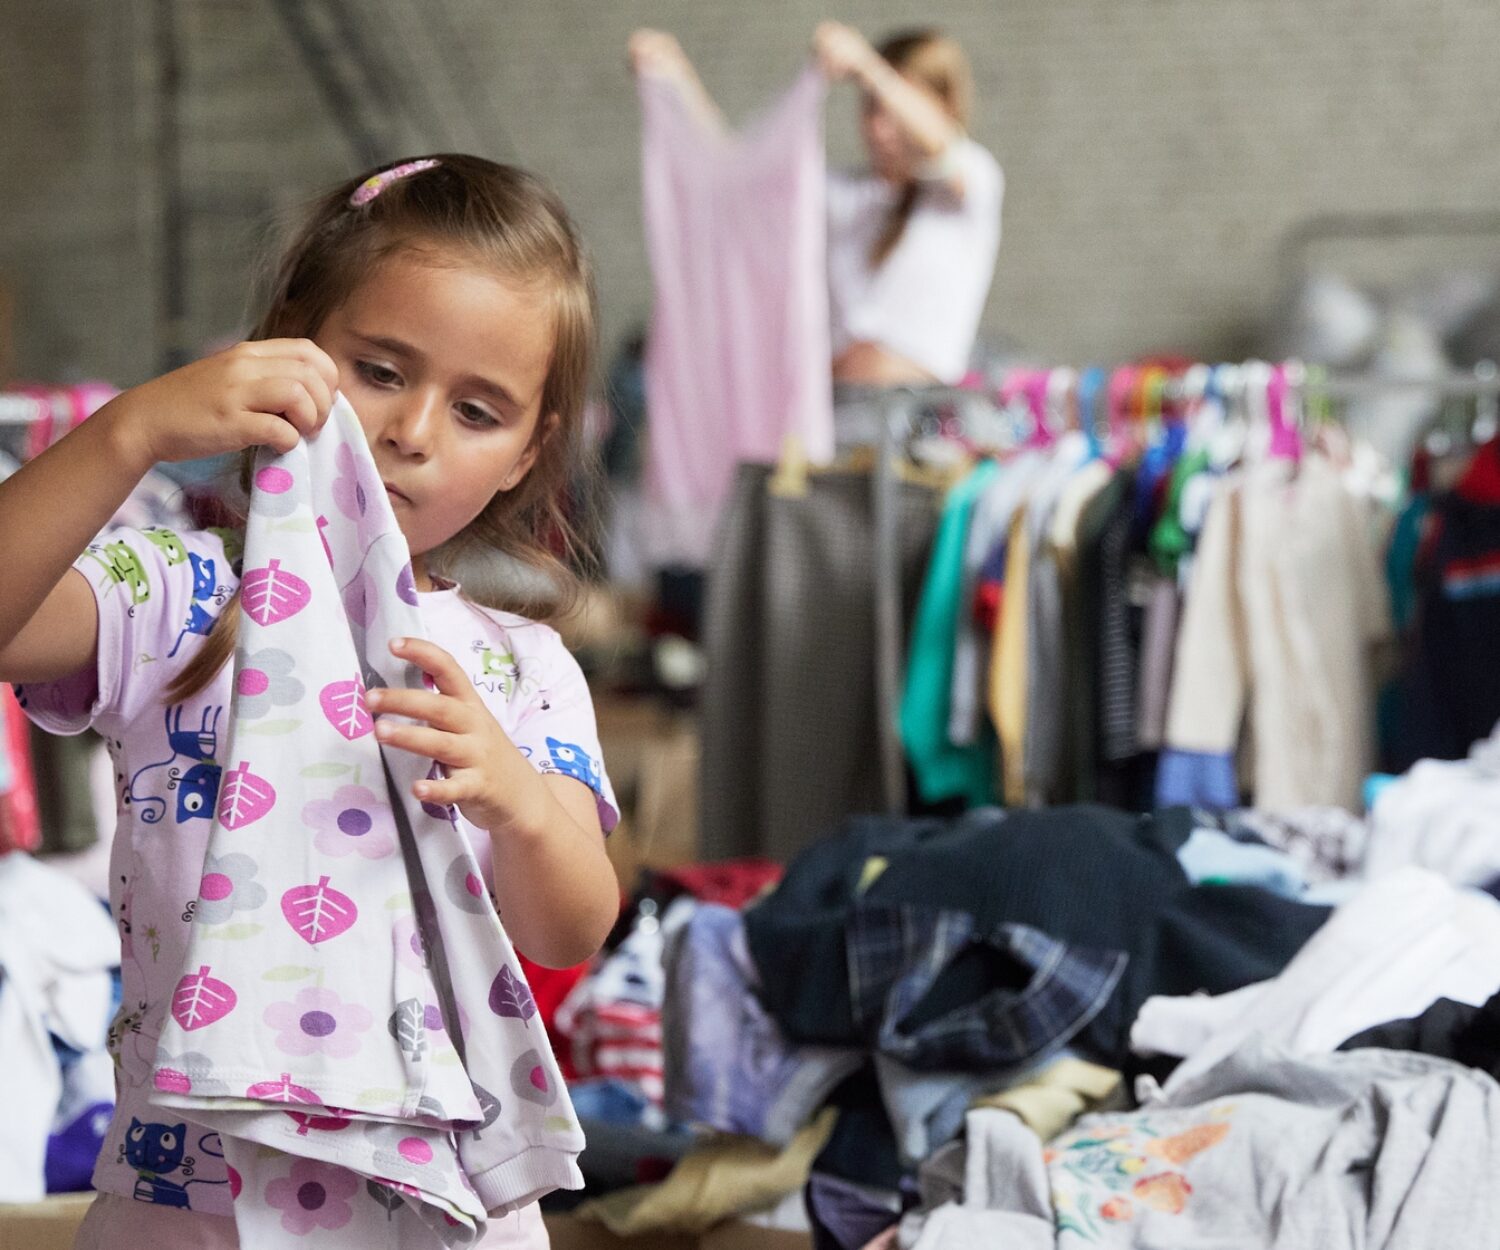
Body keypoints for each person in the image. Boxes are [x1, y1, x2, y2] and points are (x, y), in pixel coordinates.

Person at [0, 155, 620, 1249]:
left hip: (449, 1206)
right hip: (187, 1201)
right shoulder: (182, 596)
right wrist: (127, 431)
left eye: (478, 409)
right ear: (289, 344)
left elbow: (569, 922)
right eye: (379, 369)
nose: (413, 430)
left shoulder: (521, 667)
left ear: (532, 448)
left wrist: (518, 800)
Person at [629, 22, 1004, 387]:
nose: (879, 128)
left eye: (893, 108)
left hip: (915, 422)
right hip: (840, 421)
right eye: (870, 107)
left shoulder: (971, 183)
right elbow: (738, 174)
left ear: (943, 105)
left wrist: (868, 67)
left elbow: (944, 146)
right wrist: (677, 80)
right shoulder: (840, 193)